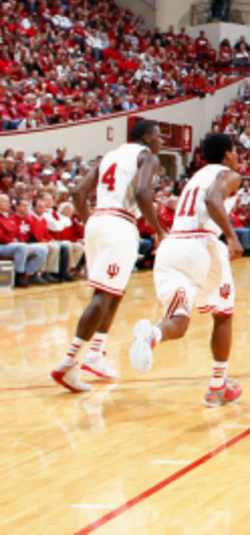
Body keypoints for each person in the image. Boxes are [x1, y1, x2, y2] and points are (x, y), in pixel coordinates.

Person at [128, 132, 245, 407]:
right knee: (223, 316)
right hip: (200, 244)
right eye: (236, 152)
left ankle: (153, 335)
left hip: (171, 247)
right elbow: (213, 200)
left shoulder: (195, 177)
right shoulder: (228, 174)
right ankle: (217, 387)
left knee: (178, 321)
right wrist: (231, 236)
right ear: (228, 153)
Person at [50, 121, 166, 393]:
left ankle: (95, 355)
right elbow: (141, 192)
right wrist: (159, 230)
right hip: (118, 224)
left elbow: (78, 192)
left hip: (100, 221)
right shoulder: (147, 155)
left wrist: (91, 221)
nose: (161, 141)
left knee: (115, 291)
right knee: (103, 295)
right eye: (158, 135)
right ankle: (69, 363)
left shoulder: (110, 156)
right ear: (147, 137)